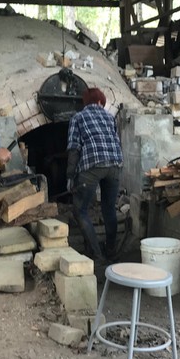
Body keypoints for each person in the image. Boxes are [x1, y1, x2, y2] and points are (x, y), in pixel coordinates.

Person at [66, 87, 123, 263]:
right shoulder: (109, 117)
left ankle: (97, 255)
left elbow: (74, 149)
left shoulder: (78, 117)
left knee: (80, 210)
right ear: (99, 102)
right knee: (109, 207)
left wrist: (70, 176)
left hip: (92, 166)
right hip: (115, 165)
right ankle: (111, 250)